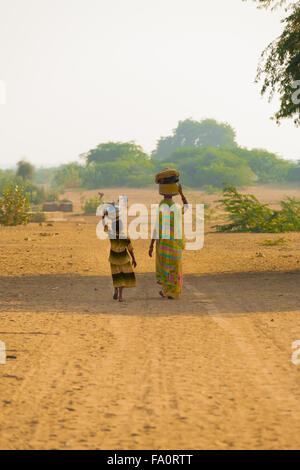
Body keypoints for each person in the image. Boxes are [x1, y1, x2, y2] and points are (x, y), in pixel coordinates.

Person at [149, 183, 188, 299]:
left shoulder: (161, 209)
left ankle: (166, 290)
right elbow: (186, 207)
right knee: (175, 268)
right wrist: (181, 193)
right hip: (175, 245)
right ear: (173, 193)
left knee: (165, 267)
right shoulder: (175, 208)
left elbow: (156, 228)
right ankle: (172, 292)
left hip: (163, 246)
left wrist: (151, 245)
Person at [107, 216, 137, 302]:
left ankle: (115, 288)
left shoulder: (111, 234)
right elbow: (130, 249)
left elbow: (105, 226)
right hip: (123, 259)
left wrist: (104, 217)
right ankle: (120, 297)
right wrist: (134, 259)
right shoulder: (125, 237)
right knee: (123, 277)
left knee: (116, 276)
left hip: (113, 259)